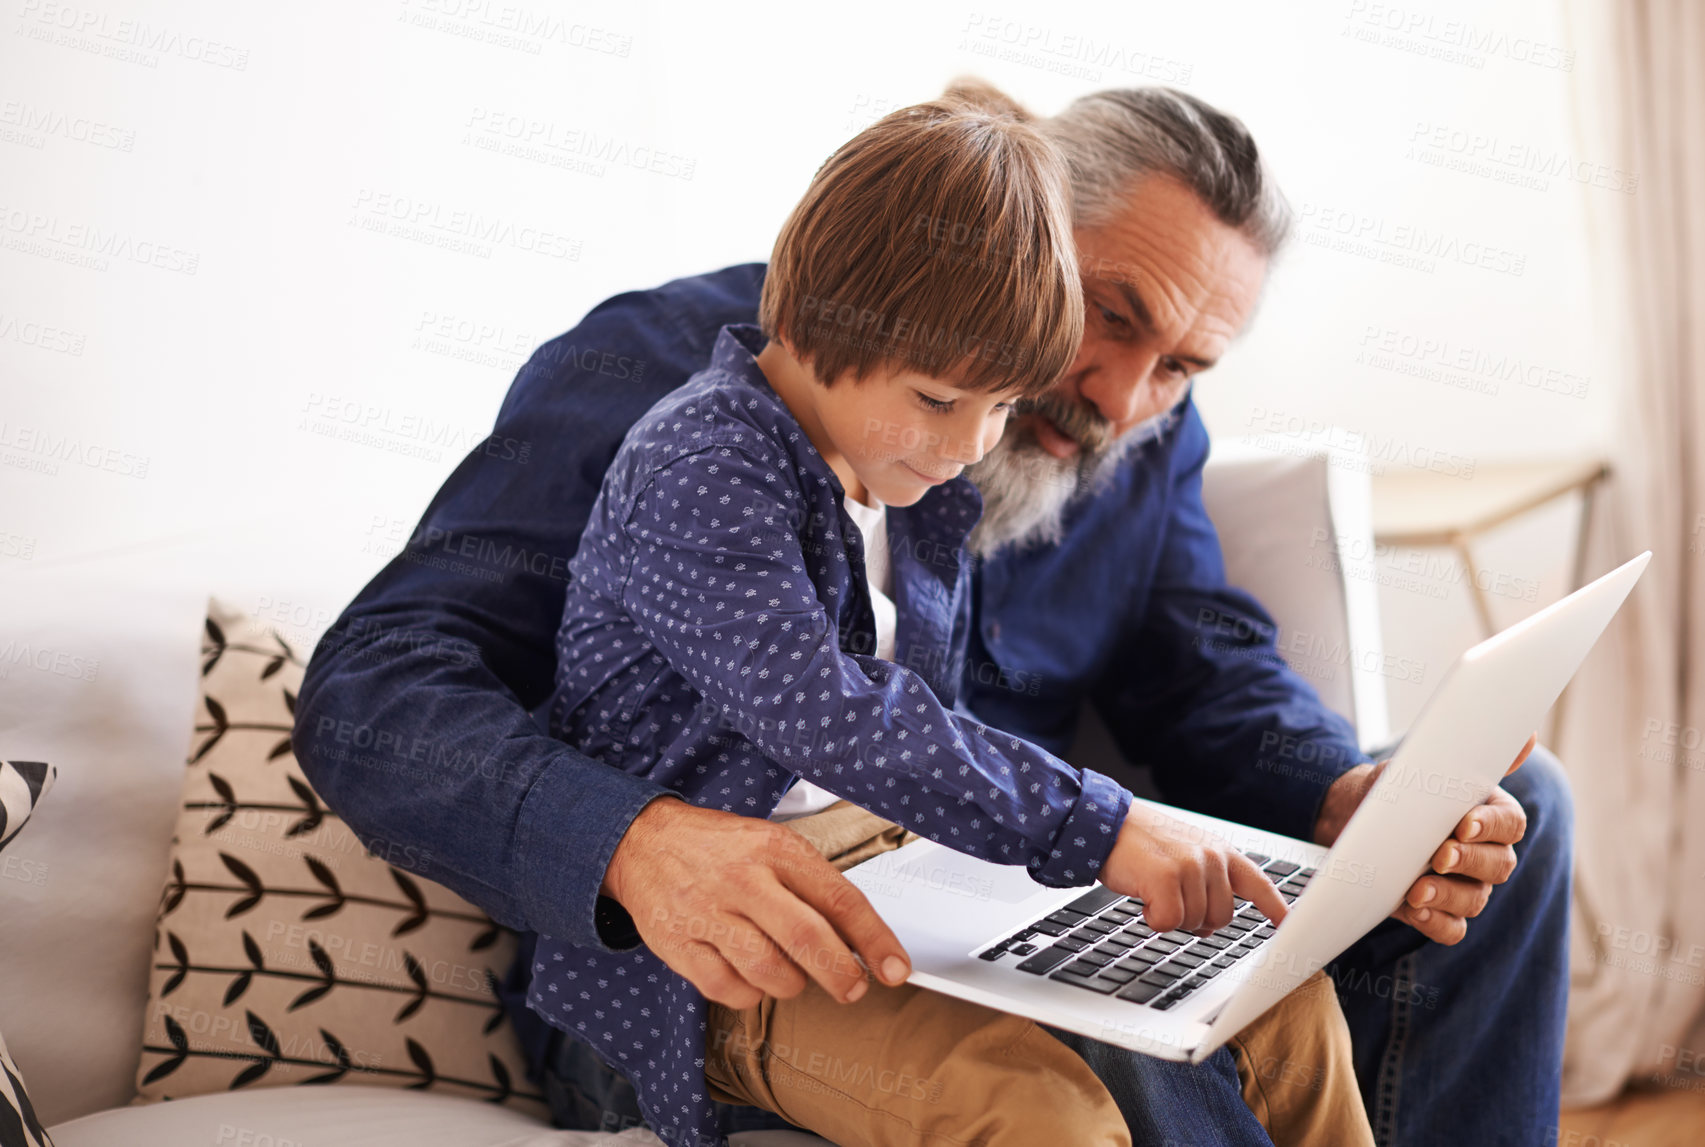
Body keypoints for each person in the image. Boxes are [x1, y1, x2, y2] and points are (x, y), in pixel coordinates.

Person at [295, 80, 1569, 1147]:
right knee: (1129, 1050)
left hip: (993, 899)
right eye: (1109, 314)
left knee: (1520, 816)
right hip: (758, 956)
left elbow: (1207, 673)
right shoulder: (666, 385)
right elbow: (376, 690)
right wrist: (632, 840)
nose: (1121, 399)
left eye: (1181, 367)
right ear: (1009, 232)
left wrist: (1342, 789)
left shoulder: (1104, 441)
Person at [528, 91, 1367, 1147]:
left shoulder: (923, 484)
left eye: (1005, 405)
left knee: (1279, 1003)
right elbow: (831, 715)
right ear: (815, 313)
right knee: (1035, 1108)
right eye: (938, 400)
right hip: (704, 959)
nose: (973, 444)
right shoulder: (701, 467)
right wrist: (1095, 824)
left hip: (907, 880)